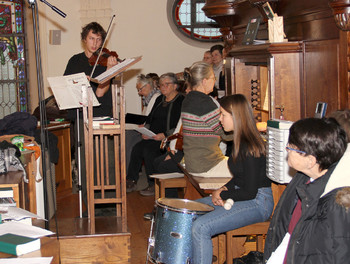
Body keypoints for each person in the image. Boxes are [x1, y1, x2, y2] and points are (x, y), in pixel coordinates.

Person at [191, 94, 273, 264]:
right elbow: (239, 178)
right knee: (191, 211)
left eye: (223, 115)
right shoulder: (238, 141)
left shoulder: (250, 146)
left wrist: (223, 196)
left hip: (258, 202)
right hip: (242, 194)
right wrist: (223, 189)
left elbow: (250, 192)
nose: (220, 119)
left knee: (201, 227)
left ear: (236, 117)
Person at [264, 117, 349, 264]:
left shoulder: (335, 201)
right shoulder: (303, 179)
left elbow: (339, 252)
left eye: (291, 147)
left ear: (310, 161)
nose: (286, 149)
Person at [63, 22, 118, 210]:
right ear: (84, 39)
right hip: (81, 117)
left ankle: (109, 204)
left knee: (107, 160)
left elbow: (101, 93)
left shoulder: (107, 60)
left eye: (99, 39)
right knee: (86, 163)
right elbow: (67, 88)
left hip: (102, 117)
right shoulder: (74, 61)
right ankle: (90, 205)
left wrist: (110, 72)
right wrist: (80, 83)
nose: (95, 43)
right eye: (91, 38)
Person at [126, 73, 185, 196]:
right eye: (161, 85)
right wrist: (146, 130)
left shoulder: (181, 101)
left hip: (167, 138)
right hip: (153, 136)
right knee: (137, 148)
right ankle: (131, 179)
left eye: (166, 84)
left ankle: (153, 184)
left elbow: (180, 125)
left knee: (148, 150)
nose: (163, 87)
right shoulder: (159, 99)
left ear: (175, 86)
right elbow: (150, 118)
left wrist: (164, 135)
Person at [181, 61, 231, 178]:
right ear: (204, 81)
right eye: (213, 78)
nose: (215, 81)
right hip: (207, 165)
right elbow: (227, 134)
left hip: (194, 162)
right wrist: (250, 127)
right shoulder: (204, 102)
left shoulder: (188, 99)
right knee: (250, 170)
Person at [125, 74, 161, 175]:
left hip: (152, 131)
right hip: (146, 128)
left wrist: (144, 126)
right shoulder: (148, 98)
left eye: (140, 89)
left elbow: (153, 118)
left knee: (129, 138)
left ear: (148, 86)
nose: (139, 93)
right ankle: (129, 171)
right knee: (127, 135)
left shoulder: (156, 97)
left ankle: (128, 173)